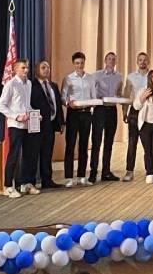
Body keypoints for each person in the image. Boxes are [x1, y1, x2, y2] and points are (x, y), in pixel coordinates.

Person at [0, 59, 34, 199]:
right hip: (15, 125)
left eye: (27, 68)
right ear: (15, 69)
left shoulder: (28, 84)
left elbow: (27, 105)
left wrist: (34, 115)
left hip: (27, 125)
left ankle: (24, 183)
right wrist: (16, 116)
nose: (26, 70)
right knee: (14, 155)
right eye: (23, 68)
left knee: (28, 154)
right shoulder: (11, 84)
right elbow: (1, 105)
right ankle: (8, 186)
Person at [61, 51, 97, 187]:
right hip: (73, 114)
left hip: (86, 113)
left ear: (84, 63)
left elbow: (93, 95)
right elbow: (63, 97)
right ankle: (69, 177)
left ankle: (82, 175)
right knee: (70, 144)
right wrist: (67, 103)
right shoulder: (68, 78)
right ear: (73, 64)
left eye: (81, 63)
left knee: (84, 145)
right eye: (77, 63)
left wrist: (93, 103)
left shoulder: (90, 78)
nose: (79, 65)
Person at [29, 59, 64, 189]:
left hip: (50, 125)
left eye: (48, 67)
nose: (46, 70)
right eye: (43, 67)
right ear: (37, 70)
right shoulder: (31, 85)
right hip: (36, 125)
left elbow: (58, 105)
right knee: (33, 154)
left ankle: (47, 180)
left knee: (47, 154)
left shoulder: (53, 85)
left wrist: (61, 122)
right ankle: (30, 182)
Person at [90, 51, 123, 183]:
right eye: (109, 59)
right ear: (105, 61)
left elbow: (119, 92)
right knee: (96, 142)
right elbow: (92, 91)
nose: (111, 61)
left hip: (112, 110)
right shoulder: (96, 75)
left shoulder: (119, 76)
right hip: (100, 110)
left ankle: (106, 172)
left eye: (113, 59)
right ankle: (93, 172)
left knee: (109, 142)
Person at [122, 51, 150, 182]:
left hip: (148, 111)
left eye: (145, 60)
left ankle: (149, 170)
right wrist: (124, 112)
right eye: (140, 60)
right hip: (134, 111)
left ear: (148, 61)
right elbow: (126, 95)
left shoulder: (152, 75)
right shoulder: (131, 77)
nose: (142, 62)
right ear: (137, 62)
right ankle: (129, 171)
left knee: (147, 143)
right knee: (132, 142)